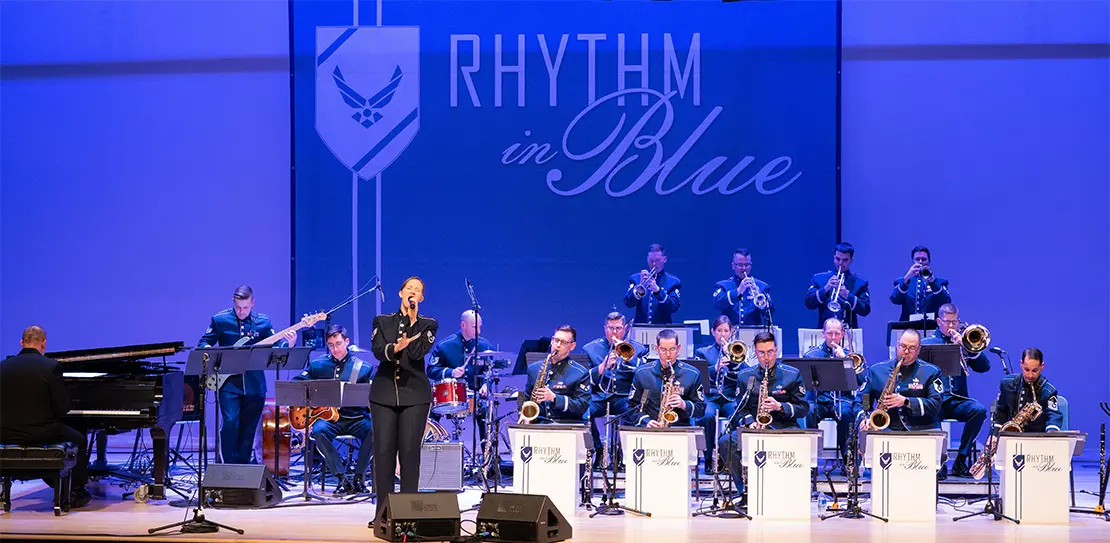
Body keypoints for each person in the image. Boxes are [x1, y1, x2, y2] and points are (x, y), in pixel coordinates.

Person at [198, 285, 296, 464]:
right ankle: (227, 466)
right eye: (237, 307)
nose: (241, 312)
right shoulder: (220, 319)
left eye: (245, 307)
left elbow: (274, 351)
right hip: (228, 384)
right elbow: (204, 342)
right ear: (233, 303)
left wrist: (288, 344)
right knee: (230, 423)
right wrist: (209, 356)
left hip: (255, 385)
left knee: (249, 428)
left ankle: (243, 468)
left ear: (253, 303)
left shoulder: (264, 322)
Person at [0, 326, 92, 507]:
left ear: (21, 342)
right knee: (80, 440)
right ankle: (75, 492)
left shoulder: (2, 367)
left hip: (5, 433)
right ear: (44, 344)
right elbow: (62, 408)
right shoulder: (51, 367)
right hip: (41, 433)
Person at [370, 277, 438, 516]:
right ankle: (384, 513)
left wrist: (412, 322)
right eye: (409, 288)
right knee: (384, 453)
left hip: (415, 395)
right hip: (383, 393)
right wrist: (394, 349)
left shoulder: (428, 325)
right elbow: (379, 351)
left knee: (409, 453)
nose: (413, 292)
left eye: (418, 290)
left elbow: (419, 352)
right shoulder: (382, 321)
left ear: (421, 298)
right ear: (400, 293)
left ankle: (409, 513)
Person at [717, 331, 809, 496]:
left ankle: (788, 492)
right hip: (755, 427)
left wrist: (780, 406)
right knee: (725, 441)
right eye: (761, 353)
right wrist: (750, 421)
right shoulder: (745, 376)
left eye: (770, 352)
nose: (766, 357)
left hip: (784, 426)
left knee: (799, 441)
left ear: (777, 350)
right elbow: (739, 407)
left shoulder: (792, 374)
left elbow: (803, 408)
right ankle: (745, 490)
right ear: (755, 352)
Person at [292, 325, 374, 496]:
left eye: (338, 343)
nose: (335, 349)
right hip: (328, 420)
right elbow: (296, 385)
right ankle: (341, 478)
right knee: (318, 431)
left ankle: (359, 477)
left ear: (347, 342)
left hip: (356, 418)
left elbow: (372, 397)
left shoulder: (364, 368)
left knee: (375, 431)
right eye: (331, 345)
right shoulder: (318, 365)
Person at [920, 303, 989, 478]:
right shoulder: (926, 344)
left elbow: (984, 367)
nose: (952, 326)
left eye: (955, 322)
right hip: (935, 399)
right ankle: (939, 462)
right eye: (948, 322)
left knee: (979, 410)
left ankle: (960, 460)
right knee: (929, 413)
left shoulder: (964, 343)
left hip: (957, 399)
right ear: (938, 321)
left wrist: (967, 348)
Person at [582, 312, 649, 468]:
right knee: (583, 411)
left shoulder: (638, 349)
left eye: (618, 328)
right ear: (605, 328)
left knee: (634, 411)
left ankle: (621, 451)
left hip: (624, 397)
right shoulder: (590, 349)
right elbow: (584, 380)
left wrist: (627, 356)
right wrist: (601, 367)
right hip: (600, 397)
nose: (614, 332)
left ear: (624, 329)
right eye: (611, 328)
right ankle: (598, 449)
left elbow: (645, 373)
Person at [803, 318, 864, 470]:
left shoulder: (851, 356)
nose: (833, 337)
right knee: (809, 412)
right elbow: (804, 382)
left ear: (842, 334)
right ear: (823, 334)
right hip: (820, 400)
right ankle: (810, 460)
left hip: (842, 400)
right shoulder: (812, 355)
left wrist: (845, 360)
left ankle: (848, 460)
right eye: (829, 333)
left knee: (846, 414)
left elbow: (862, 380)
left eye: (837, 333)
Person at [854, 329, 943, 432]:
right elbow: (864, 399)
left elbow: (935, 405)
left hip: (923, 428)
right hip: (886, 429)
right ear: (897, 345)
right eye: (903, 346)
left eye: (912, 348)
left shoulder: (932, 372)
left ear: (918, 350)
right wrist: (864, 417)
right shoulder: (876, 370)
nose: (906, 351)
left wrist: (906, 401)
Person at [427, 310, 494, 437]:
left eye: (480, 326)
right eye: (475, 327)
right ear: (463, 325)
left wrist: (486, 384)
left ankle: (487, 454)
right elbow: (431, 370)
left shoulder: (485, 346)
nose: (478, 331)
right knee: (433, 412)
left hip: (475, 395)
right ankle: (429, 448)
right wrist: (451, 372)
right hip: (450, 395)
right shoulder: (444, 346)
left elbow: (489, 371)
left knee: (486, 411)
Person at [626, 329, 705, 428]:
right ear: (656, 349)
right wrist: (645, 421)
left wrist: (683, 404)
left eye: (672, 349)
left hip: (680, 429)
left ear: (678, 348)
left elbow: (701, 410)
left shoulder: (692, 374)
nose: (668, 355)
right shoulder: (642, 373)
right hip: (650, 429)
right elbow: (631, 407)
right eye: (663, 350)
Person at [693, 315, 741, 472]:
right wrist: (715, 368)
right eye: (719, 330)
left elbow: (746, 373)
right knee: (707, 416)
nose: (723, 334)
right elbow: (697, 375)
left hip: (729, 396)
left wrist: (734, 362)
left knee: (736, 415)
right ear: (713, 332)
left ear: (731, 332)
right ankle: (707, 459)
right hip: (711, 396)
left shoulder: (737, 351)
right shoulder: (703, 352)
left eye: (726, 331)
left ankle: (727, 458)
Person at [520, 326, 592, 424]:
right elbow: (527, 398)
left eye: (563, 342)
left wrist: (554, 397)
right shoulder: (534, 368)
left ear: (572, 346)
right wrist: (525, 415)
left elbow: (582, 406)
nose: (557, 345)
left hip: (566, 425)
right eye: (556, 340)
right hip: (539, 424)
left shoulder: (580, 373)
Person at [992, 347, 1063, 434]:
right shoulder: (1007, 384)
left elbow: (1053, 415)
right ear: (1021, 364)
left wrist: (1051, 432)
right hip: (1009, 437)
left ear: (1042, 366)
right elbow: (1000, 411)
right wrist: (995, 435)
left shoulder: (1048, 391)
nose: (1030, 375)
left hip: (1036, 438)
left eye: (1035, 370)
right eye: (1026, 370)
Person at [804, 242, 871, 328]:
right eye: (838, 259)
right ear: (834, 258)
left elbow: (865, 310)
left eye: (845, 260)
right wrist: (826, 288)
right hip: (825, 332)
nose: (840, 263)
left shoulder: (860, 282)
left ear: (851, 260)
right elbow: (809, 303)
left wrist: (847, 295)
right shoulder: (818, 278)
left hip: (848, 333)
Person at [712, 248, 774, 326]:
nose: (744, 268)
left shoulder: (762, 286)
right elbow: (718, 304)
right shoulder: (723, 286)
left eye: (747, 264)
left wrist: (762, 303)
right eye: (740, 265)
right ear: (733, 266)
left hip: (754, 335)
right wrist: (738, 291)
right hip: (730, 333)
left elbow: (770, 313)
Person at [623, 244, 682, 324]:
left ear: (664, 259)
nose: (654, 264)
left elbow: (674, 307)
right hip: (640, 329)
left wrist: (658, 291)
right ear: (647, 259)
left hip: (663, 331)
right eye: (651, 260)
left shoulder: (673, 282)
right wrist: (639, 288)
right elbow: (628, 303)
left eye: (657, 260)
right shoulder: (636, 279)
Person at [890, 245, 952, 322]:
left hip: (931, 326)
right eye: (917, 259)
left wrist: (933, 281)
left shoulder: (940, 282)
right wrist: (906, 278)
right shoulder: (903, 281)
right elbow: (895, 300)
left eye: (924, 259)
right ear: (912, 261)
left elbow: (945, 303)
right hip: (908, 328)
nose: (920, 262)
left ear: (929, 261)